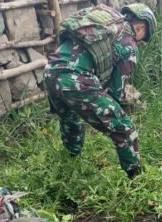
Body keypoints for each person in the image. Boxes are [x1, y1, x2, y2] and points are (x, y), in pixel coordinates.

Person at [44, 4, 156, 179]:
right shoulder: (129, 42)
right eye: (143, 38)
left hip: (50, 72)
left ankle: (70, 164)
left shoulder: (107, 26)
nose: (140, 42)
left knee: (70, 119)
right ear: (141, 27)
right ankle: (137, 180)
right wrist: (123, 109)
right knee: (125, 128)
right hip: (76, 80)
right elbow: (117, 92)